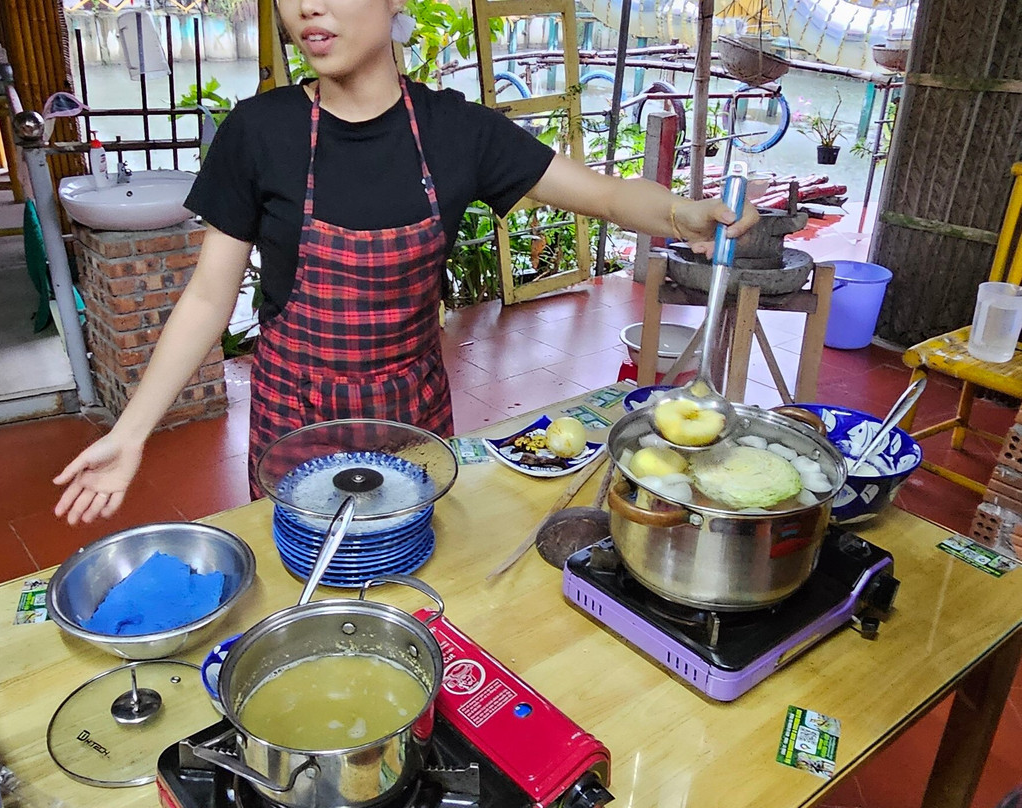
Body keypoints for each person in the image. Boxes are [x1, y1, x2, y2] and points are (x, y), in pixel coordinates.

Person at [53, 0, 759, 525]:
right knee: (307, 585)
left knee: (411, 577)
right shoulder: (258, 132)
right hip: (292, 421)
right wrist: (131, 431)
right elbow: (208, 299)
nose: (306, 9)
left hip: (411, 416)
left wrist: (677, 214)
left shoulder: (457, 132)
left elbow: (603, 193)